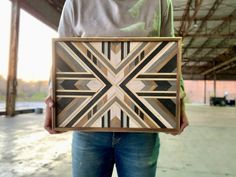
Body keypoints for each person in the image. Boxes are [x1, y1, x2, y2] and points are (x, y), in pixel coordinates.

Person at [44, 0, 189, 177]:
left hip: (142, 125)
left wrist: (179, 99)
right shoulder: (76, 2)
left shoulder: (160, 2)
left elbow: (170, 56)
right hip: (88, 125)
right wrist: (52, 100)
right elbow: (61, 57)